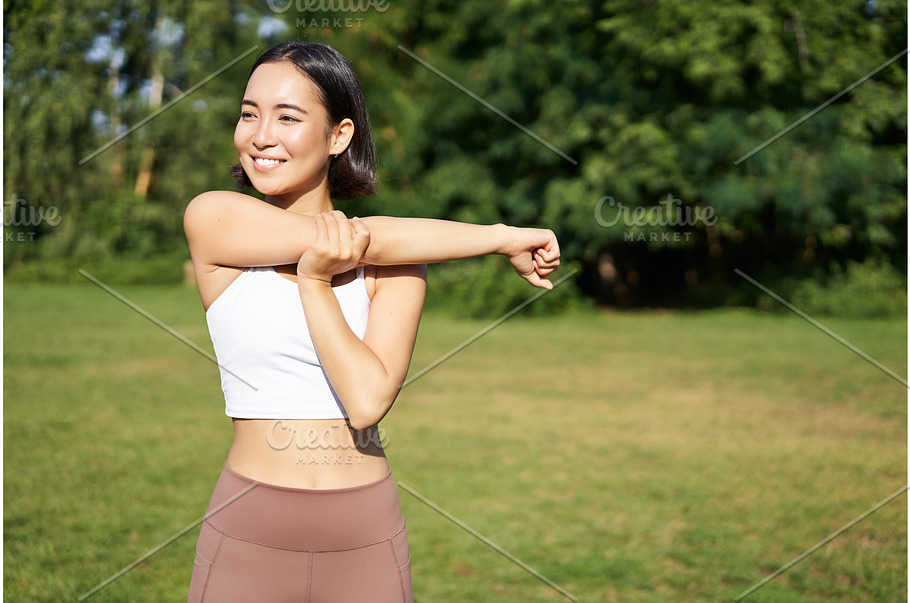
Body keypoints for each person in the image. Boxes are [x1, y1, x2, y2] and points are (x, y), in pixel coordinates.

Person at [184, 40, 560, 602]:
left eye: (287, 117)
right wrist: (501, 238)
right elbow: (364, 237)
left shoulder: (400, 263)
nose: (261, 135)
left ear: (339, 136)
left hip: (363, 530)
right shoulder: (214, 218)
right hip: (248, 525)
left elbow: (365, 402)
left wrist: (315, 285)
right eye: (248, 114)